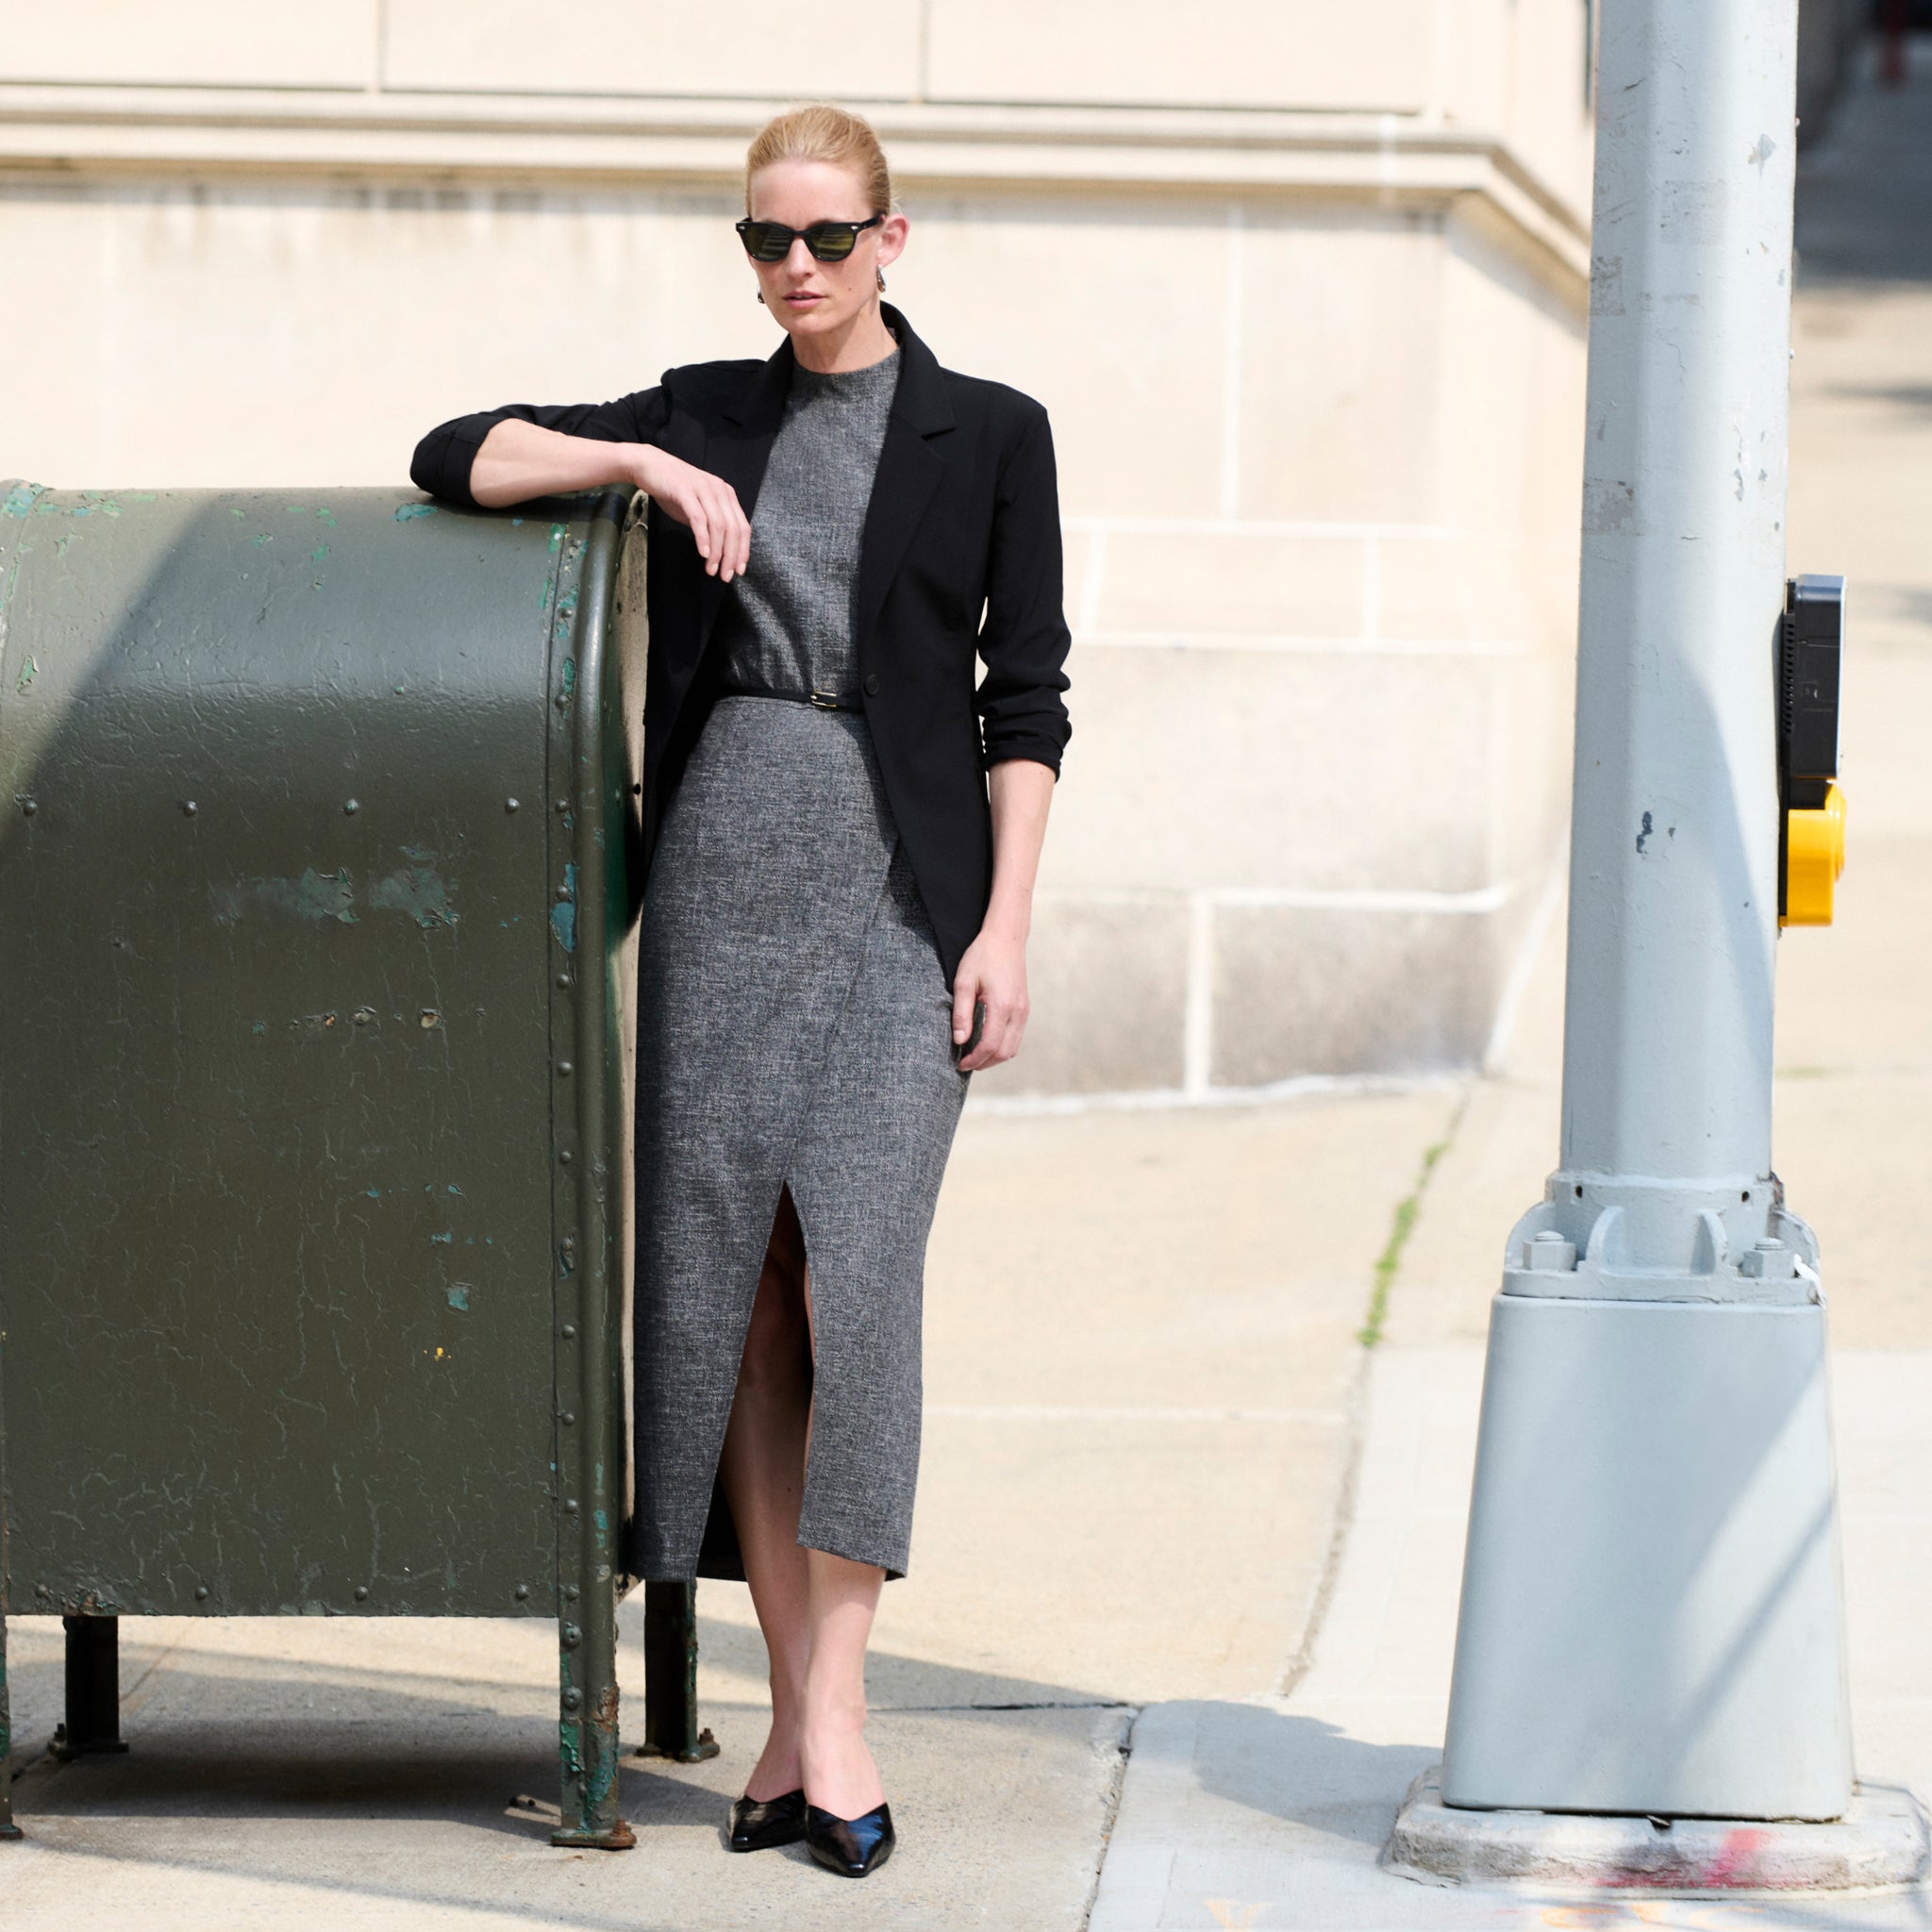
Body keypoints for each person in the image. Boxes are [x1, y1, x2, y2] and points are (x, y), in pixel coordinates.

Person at [408, 101, 1071, 1879]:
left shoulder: (990, 432)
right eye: (764, 240)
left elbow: (1028, 705)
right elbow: (448, 454)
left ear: (892, 240)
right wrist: (638, 471)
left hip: (908, 883)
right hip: (723, 864)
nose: (794, 270)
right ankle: (807, 1721)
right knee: (739, 1283)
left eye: (826, 240)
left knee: (858, 1273)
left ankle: (824, 1712)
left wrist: (1005, 925)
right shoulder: (707, 407)